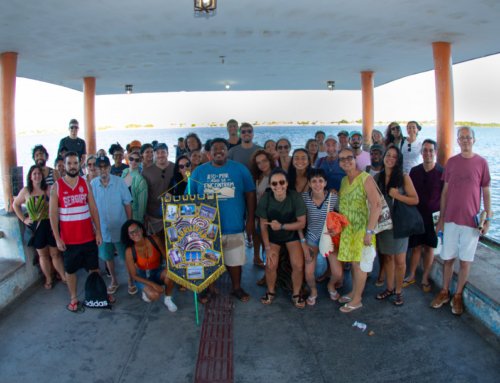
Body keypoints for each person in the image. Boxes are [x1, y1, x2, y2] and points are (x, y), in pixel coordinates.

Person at [187, 138, 256, 303]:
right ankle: (211, 289)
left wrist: (250, 221)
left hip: (234, 225)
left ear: (227, 151)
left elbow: (250, 195)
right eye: (214, 148)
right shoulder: (199, 172)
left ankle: (236, 288)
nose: (218, 151)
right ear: (209, 153)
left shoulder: (240, 169)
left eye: (222, 148)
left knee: (234, 261)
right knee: (209, 261)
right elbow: (190, 198)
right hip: (207, 228)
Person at [432, 127, 491, 315]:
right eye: (462, 137)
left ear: (473, 140)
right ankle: (445, 292)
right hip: (450, 219)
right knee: (448, 258)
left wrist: (488, 218)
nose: (465, 140)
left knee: (465, 262)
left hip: (471, 222)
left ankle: (458, 295)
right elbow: (445, 192)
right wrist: (440, 219)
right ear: (458, 141)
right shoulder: (451, 162)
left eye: (468, 137)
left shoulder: (482, 163)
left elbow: (487, 193)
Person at [49, 152, 108, 312]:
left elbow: (93, 208)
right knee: (70, 271)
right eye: (69, 164)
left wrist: (98, 232)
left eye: (75, 163)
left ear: (79, 165)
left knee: (94, 268)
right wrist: (57, 238)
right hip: (69, 240)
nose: (73, 166)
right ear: (64, 165)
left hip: (88, 236)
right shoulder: (57, 187)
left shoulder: (85, 183)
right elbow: (53, 214)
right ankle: (74, 298)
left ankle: (98, 294)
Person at [337, 148, 381, 312]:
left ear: (356, 159)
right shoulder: (343, 180)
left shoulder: (366, 178)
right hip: (349, 229)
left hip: (363, 228)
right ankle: (354, 291)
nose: (346, 161)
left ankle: (357, 299)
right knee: (354, 264)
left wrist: (369, 231)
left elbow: (376, 205)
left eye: (349, 158)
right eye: (342, 159)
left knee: (359, 264)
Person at [375, 146, 419, 307]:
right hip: (384, 224)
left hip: (399, 223)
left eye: (394, 156)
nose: (390, 158)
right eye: (388, 155)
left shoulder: (403, 177)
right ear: (384, 157)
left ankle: (399, 291)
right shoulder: (377, 177)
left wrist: (397, 195)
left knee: (400, 261)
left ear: (398, 160)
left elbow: (415, 200)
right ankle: (390, 287)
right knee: (387, 257)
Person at [256, 168, 307, 308]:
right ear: (270, 185)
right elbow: (263, 225)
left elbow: (301, 223)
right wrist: (266, 248)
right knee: (271, 264)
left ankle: (296, 293)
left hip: (291, 234)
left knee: (298, 265)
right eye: (274, 183)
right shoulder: (266, 198)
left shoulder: (295, 196)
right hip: (273, 237)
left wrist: (282, 226)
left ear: (287, 183)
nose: (278, 186)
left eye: (281, 182)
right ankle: (270, 291)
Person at [13, 165, 66, 289]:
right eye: (34, 174)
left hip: (49, 225)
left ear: (42, 176)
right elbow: (15, 205)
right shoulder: (26, 191)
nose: (37, 176)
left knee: (55, 254)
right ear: (30, 177)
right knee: (43, 255)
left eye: (39, 174)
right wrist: (24, 219)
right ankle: (48, 278)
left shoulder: (48, 188)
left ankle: (63, 275)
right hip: (36, 228)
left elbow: (57, 204)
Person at [91, 156, 136, 295]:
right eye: (100, 167)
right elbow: (91, 207)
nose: (102, 169)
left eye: (105, 167)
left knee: (125, 256)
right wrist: (95, 228)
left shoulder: (119, 182)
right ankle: (114, 281)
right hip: (103, 230)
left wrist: (129, 225)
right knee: (107, 257)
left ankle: (130, 280)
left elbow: (127, 204)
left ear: (109, 168)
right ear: (96, 169)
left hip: (120, 228)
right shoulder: (92, 184)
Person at [403, 139, 444, 291]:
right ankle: (412, 275)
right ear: (421, 152)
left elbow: (445, 197)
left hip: (433, 219)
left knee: (429, 248)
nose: (428, 153)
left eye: (431, 150)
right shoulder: (414, 171)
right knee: (415, 247)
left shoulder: (442, 172)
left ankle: (425, 277)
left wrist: (442, 220)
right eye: (425, 150)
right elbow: (408, 193)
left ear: (435, 152)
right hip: (417, 217)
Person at [299, 169, 341, 305]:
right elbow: (299, 222)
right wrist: (303, 242)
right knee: (309, 273)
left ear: (325, 183)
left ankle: (330, 285)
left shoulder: (334, 197)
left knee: (338, 274)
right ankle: (313, 291)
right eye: (314, 181)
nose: (317, 184)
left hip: (328, 238)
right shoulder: (304, 198)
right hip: (311, 238)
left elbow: (341, 218)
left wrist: (336, 231)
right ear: (310, 184)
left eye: (320, 181)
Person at [121, 220, 178, 311]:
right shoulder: (129, 251)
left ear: (142, 230)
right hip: (142, 276)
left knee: (171, 272)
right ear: (128, 235)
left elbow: (168, 259)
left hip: (157, 272)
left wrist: (172, 274)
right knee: (154, 295)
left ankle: (167, 298)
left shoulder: (154, 240)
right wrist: (153, 285)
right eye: (131, 232)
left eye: (137, 230)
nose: (135, 234)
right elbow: (134, 276)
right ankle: (146, 289)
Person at [143, 143, 174, 249]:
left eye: (163, 152)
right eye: (157, 153)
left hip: (173, 214)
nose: (160, 155)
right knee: (157, 244)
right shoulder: (147, 171)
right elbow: (145, 194)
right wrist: (145, 212)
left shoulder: (176, 168)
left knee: (173, 242)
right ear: (154, 155)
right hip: (154, 215)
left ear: (168, 153)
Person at [249, 149, 277, 267]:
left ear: (270, 160)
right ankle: (259, 260)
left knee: (269, 244)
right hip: (258, 214)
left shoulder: (276, 176)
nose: (262, 164)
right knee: (259, 237)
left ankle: (268, 270)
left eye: (264, 161)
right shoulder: (256, 177)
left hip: (271, 216)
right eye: (259, 162)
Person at [365, 143, 386, 287]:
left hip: (383, 214)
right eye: (373, 153)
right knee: (368, 244)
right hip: (368, 214)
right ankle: (367, 270)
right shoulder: (365, 170)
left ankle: (382, 274)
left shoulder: (386, 172)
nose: (376, 156)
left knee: (383, 249)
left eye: (379, 153)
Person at [122, 151, 148, 222]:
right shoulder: (124, 173)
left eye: (136, 160)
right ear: (128, 159)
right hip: (121, 214)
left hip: (134, 216)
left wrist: (139, 221)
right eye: (131, 159)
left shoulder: (140, 180)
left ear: (140, 162)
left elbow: (142, 204)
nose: (133, 161)